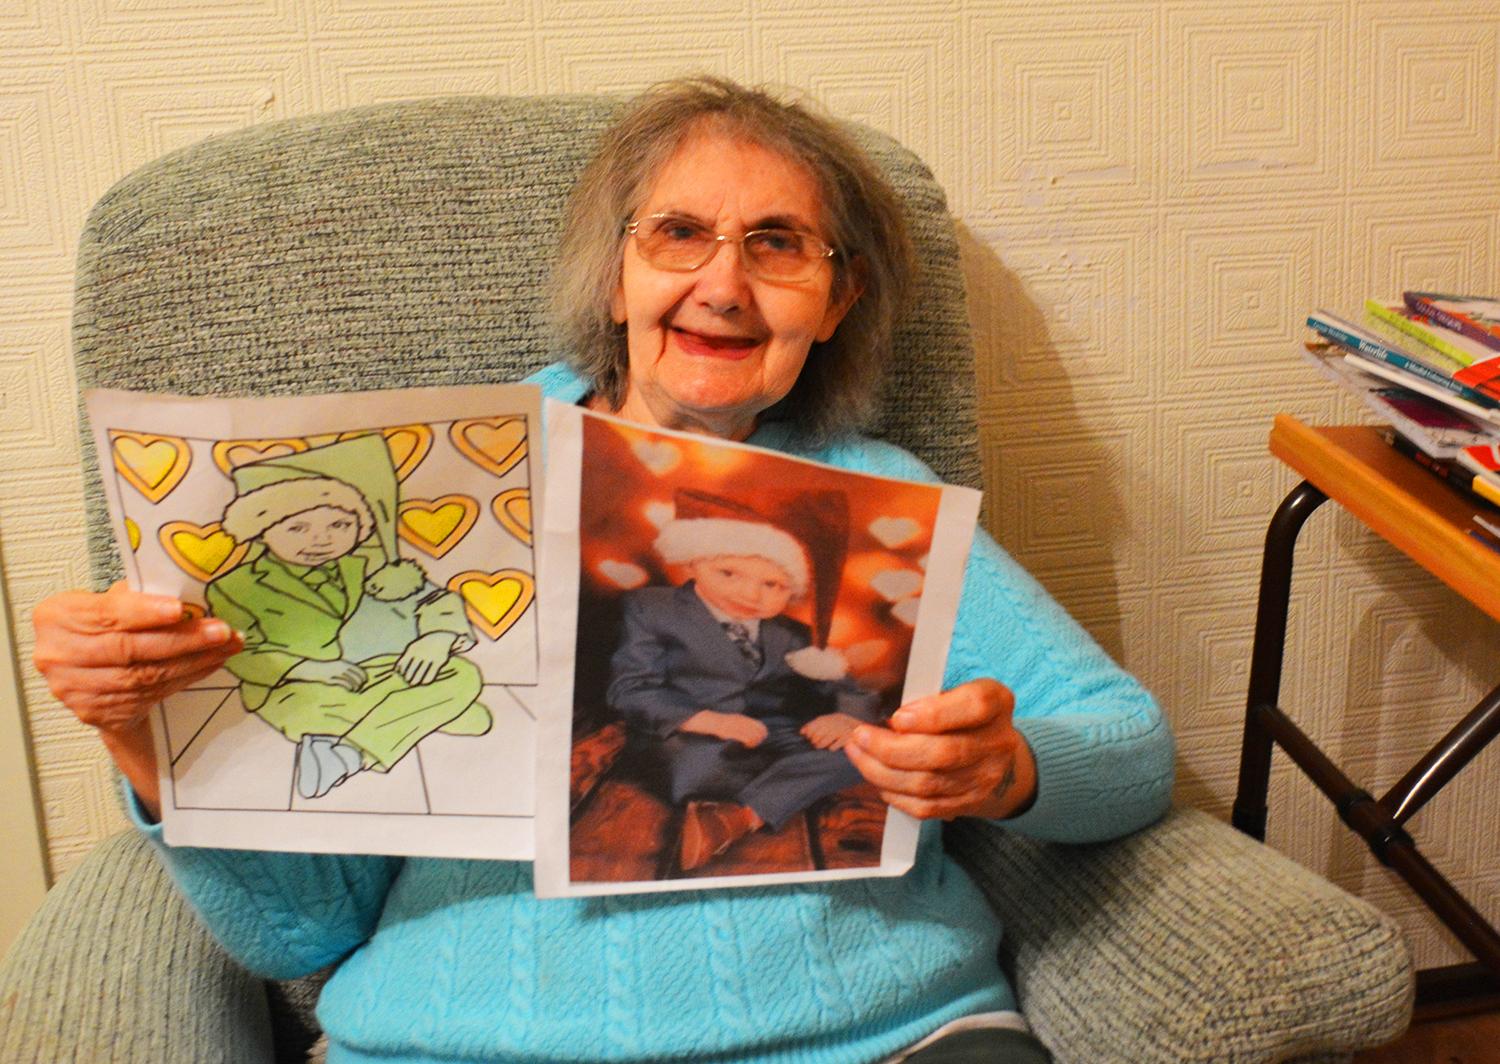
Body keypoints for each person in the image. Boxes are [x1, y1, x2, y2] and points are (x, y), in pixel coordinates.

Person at [33, 76, 1174, 1064]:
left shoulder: (878, 501)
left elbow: (1130, 747)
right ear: (616, 274)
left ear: (838, 301)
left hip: (885, 1033)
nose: (724, 284)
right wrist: (145, 734)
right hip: (458, 1039)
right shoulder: (438, 486)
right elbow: (299, 932)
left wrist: (1006, 767)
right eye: (679, 233)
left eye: (778, 244)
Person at [605, 486, 879, 871]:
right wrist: (710, 721)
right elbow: (631, 689)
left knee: (856, 755)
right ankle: (770, 793)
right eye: (729, 573)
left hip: (772, 738)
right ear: (693, 563)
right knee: (696, 767)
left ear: (793, 590)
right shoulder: (653, 609)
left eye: (772, 585)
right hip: (690, 736)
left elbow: (850, 689)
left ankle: (738, 817)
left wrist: (846, 718)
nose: (750, 594)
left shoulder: (792, 634)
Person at [207, 434, 491, 799]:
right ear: (261, 532)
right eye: (297, 528)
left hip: (377, 672)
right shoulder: (232, 586)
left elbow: (436, 599)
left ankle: (347, 753)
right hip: (296, 689)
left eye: (339, 526)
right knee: (321, 709)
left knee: (464, 675)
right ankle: (415, 719)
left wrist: (437, 638)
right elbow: (239, 652)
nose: (320, 540)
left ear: (360, 527)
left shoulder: (370, 565)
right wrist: (307, 669)